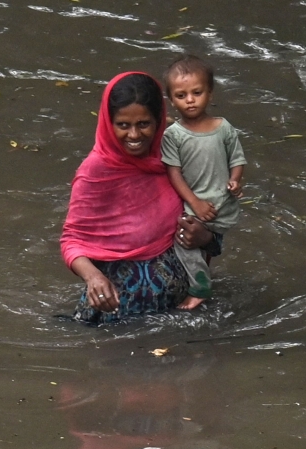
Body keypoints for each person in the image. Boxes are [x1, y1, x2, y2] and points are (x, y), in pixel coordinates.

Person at [60, 72, 219, 325]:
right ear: (108, 123)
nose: (134, 135)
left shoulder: (176, 158)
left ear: (159, 121)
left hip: (184, 309)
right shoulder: (95, 171)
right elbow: (72, 240)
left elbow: (213, 219)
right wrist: (93, 278)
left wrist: (206, 237)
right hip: (118, 317)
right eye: (123, 125)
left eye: (144, 124)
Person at [161, 55, 247, 310]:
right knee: (186, 240)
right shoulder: (173, 135)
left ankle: (200, 288)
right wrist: (195, 202)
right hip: (194, 204)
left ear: (209, 93)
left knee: (194, 244)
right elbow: (173, 173)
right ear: (171, 99)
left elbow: (238, 159)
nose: (189, 100)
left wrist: (235, 180)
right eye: (181, 95)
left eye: (196, 92)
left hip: (222, 203)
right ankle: (200, 282)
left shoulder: (223, 128)